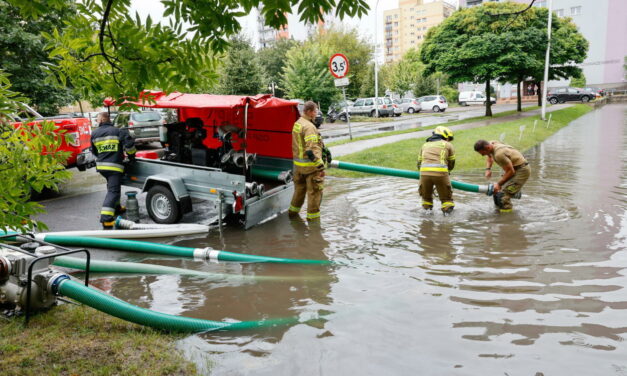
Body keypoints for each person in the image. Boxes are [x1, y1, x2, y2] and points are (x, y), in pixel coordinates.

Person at [90, 112, 136, 229]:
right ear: (109, 120)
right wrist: (131, 157)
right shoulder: (118, 131)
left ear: (100, 121)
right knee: (113, 191)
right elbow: (129, 145)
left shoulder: (94, 133)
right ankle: (106, 219)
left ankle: (117, 208)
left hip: (101, 167)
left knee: (113, 186)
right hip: (114, 167)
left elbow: (94, 151)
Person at [288, 101, 330, 221]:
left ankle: (292, 215)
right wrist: (320, 166)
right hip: (311, 168)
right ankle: (314, 225)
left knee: (299, 192)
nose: (316, 114)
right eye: (315, 111)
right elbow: (311, 149)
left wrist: (325, 150)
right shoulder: (309, 127)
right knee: (314, 194)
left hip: (298, 168)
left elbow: (301, 144)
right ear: (310, 112)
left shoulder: (298, 123)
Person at [473, 139, 530, 213]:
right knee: (496, 192)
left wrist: (498, 184)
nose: (482, 155)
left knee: (503, 196)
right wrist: (488, 169)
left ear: (487, 148)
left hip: (522, 170)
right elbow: (489, 156)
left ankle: (507, 218)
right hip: (514, 168)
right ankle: (499, 211)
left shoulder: (499, 154)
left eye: (483, 153)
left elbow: (511, 172)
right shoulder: (492, 144)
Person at [417, 126, 456, 214]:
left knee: (426, 200)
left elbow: (419, 163)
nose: (449, 140)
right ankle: (447, 224)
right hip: (441, 174)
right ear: (445, 136)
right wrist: (447, 171)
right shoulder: (448, 145)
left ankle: (426, 223)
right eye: (449, 138)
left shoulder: (424, 145)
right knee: (447, 201)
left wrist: (423, 173)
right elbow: (452, 162)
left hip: (424, 175)